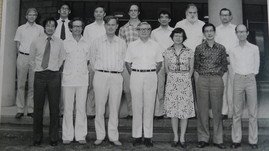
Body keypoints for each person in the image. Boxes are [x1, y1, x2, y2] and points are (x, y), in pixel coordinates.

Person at [125, 22, 163, 147]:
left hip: (151, 75)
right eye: (142, 29)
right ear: (137, 31)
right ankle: (136, 136)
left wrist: (150, 73)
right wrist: (135, 73)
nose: (144, 31)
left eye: (147, 29)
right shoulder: (132, 45)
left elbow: (159, 63)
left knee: (149, 106)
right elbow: (127, 63)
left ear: (150, 31)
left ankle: (148, 136)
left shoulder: (156, 45)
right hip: (136, 75)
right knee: (137, 106)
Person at [90, 16, 126, 146]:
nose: (110, 27)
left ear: (117, 26)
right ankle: (100, 135)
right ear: (104, 26)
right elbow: (92, 60)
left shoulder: (122, 42)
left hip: (116, 76)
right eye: (108, 24)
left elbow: (123, 59)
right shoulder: (97, 41)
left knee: (114, 107)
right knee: (99, 107)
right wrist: (101, 72)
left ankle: (113, 136)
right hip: (100, 75)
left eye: (113, 25)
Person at [30, 17, 65, 146]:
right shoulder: (36, 41)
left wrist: (55, 68)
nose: (50, 28)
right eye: (48, 25)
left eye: (52, 26)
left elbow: (62, 58)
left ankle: (53, 137)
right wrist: (38, 69)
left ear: (55, 28)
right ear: (44, 27)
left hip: (54, 76)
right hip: (40, 75)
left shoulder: (60, 42)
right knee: (38, 107)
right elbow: (32, 58)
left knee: (54, 108)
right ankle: (37, 137)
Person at [194, 23, 228, 149]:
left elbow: (224, 65)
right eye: (206, 31)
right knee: (202, 110)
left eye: (211, 31)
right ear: (204, 33)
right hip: (202, 79)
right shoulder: (199, 48)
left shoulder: (221, 48)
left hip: (216, 80)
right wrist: (203, 76)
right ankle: (203, 138)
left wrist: (217, 74)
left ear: (214, 32)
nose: (209, 33)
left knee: (217, 110)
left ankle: (218, 139)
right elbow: (196, 65)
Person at [163, 28, 195, 149]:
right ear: (172, 37)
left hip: (185, 81)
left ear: (183, 37)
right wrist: (172, 77)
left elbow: (191, 68)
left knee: (184, 110)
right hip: (172, 82)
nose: (178, 38)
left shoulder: (189, 51)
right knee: (173, 110)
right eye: (176, 35)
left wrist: (186, 78)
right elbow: (166, 68)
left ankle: (182, 137)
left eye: (180, 36)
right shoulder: (167, 51)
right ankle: (175, 136)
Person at [230, 24, 259, 149]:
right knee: (237, 111)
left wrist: (250, 74)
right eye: (238, 32)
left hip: (251, 78)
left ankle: (253, 141)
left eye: (243, 32)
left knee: (253, 111)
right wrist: (239, 76)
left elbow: (256, 65)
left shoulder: (254, 48)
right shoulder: (232, 49)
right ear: (236, 33)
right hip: (238, 79)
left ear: (247, 33)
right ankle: (236, 140)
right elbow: (233, 65)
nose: (241, 34)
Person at [62, 18, 88, 145]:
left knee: (81, 108)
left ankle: (80, 135)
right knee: (68, 108)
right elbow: (61, 61)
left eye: (80, 26)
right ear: (70, 28)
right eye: (75, 26)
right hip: (68, 80)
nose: (77, 29)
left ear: (82, 28)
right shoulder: (65, 43)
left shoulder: (87, 43)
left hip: (82, 80)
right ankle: (67, 135)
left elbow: (89, 61)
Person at [14, 8, 43, 119]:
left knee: (32, 85)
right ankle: (20, 109)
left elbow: (41, 45)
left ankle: (31, 109)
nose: (32, 16)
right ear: (26, 16)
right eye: (29, 15)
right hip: (22, 56)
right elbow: (17, 44)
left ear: (36, 16)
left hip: (34, 59)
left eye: (34, 15)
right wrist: (21, 56)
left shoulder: (40, 29)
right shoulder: (21, 28)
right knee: (21, 84)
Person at [83, 6, 106, 120]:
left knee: (103, 88)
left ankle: (101, 112)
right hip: (92, 61)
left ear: (104, 14)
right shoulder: (88, 28)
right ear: (94, 14)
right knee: (91, 86)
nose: (98, 13)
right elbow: (86, 45)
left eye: (101, 12)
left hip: (104, 62)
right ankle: (90, 111)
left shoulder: (107, 26)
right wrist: (87, 61)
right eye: (96, 11)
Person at [119, 4, 141, 119]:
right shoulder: (123, 28)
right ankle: (131, 112)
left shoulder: (145, 27)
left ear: (138, 13)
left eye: (135, 10)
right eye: (131, 10)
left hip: (142, 63)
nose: (133, 12)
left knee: (139, 88)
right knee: (127, 89)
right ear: (128, 13)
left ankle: (140, 112)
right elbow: (120, 48)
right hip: (127, 62)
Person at [215, 8, 238, 119]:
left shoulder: (235, 29)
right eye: (222, 15)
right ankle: (223, 111)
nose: (224, 17)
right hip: (221, 61)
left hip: (234, 60)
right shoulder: (216, 30)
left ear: (230, 16)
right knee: (222, 86)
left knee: (234, 86)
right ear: (220, 16)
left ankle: (233, 111)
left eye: (226, 15)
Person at [151, 10, 174, 120]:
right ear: (159, 20)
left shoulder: (174, 31)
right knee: (159, 87)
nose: (164, 19)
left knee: (171, 87)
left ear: (169, 19)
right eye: (162, 17)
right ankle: (159, 112)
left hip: (172, 61)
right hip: (159, 61)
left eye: (166, 17)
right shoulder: (154, 32)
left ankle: (170, 111)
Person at [54, 3, 72, 118]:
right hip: (55, 57)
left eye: (67, 9)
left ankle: (65, 109)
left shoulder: (72, 25)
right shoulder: (54, 24)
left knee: (67, 84)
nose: (64, 11)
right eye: (62, 9)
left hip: (69, 58)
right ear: (59, 11)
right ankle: (56, 110)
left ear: (69, 12)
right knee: (56, 84)